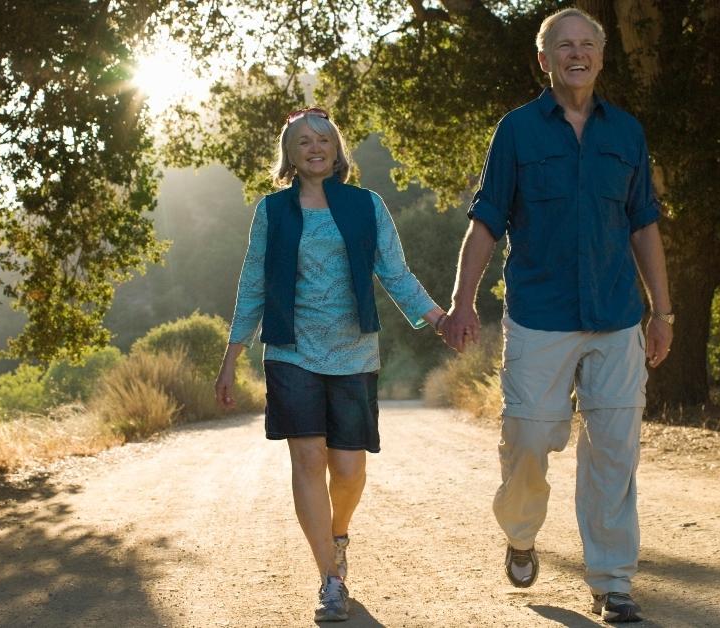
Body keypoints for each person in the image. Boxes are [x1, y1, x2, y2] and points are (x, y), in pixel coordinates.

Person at [440, 7, 673, 623]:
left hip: (617, 315)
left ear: (601, 55)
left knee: (615, 452)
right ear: (543, 60)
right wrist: (462, 303)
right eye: (563, 45)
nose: (577, 54)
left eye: (587, 44)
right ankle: (520, 532)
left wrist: (662, 312)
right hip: (540, 315)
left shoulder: (626, 133)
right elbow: (487, 221)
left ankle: (612, 581)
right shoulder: (516, 131)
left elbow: (644, 223)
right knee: (528, 438)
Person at [214, 107, 445, 623]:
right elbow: (252, 285)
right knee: (307, 459)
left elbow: (395, 272)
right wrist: (231, 358)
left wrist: (438, 318)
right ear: (289, 156)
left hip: (354, 351)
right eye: (302, 142)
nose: (314, 147)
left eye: (323, 139)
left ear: (337, 150)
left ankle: (338, 533)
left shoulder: (366, 205)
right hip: (291, 350)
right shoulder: (272, 211)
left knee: (347, 466)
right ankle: (329, 578)